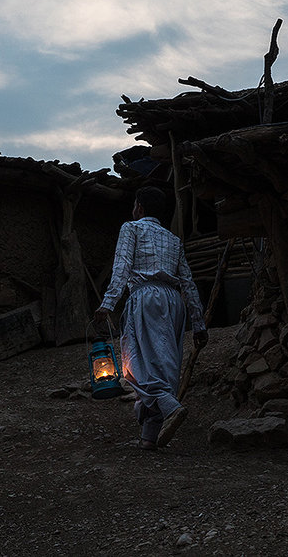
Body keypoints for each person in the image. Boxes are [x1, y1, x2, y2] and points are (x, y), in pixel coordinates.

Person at [94, 186, 208, 450]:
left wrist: (107, 303)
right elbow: (188, 283)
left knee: (134, 364)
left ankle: (171, 407)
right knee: (164, 365)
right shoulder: (174, 240)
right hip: (174, 302)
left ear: (140, 208)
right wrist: (198, 322)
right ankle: (150, 437)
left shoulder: (131, 228)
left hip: (145, 298)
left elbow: (121, 267)